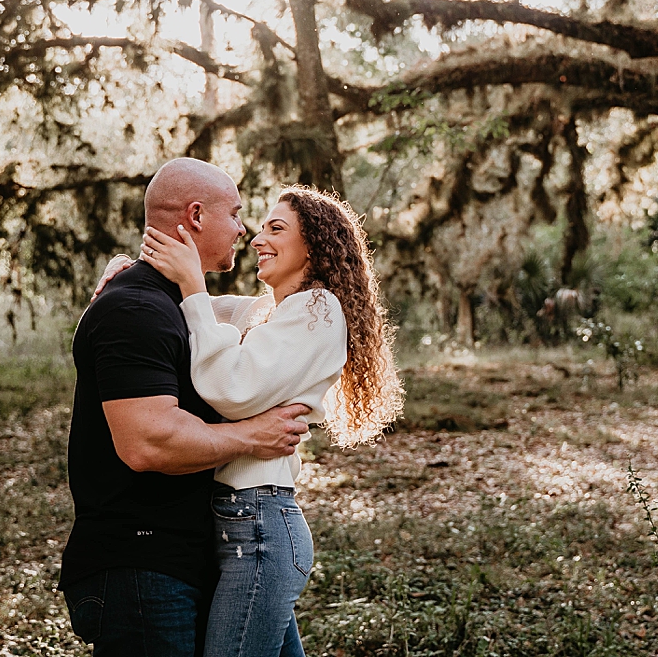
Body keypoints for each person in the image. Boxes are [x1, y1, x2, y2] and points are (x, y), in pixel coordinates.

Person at [100, 185, 405, 657]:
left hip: (258, 526)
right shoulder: (272, 310)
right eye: (260, 226)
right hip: (242, 526)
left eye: (276, 228)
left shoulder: (318, 310)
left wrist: (192, 289)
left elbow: (233, 389)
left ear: (315, 246)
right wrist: (134, 273)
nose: (258, 238)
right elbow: (191, 311)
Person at [58, 159, 311, 657]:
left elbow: (276, 317)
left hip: (202, 555)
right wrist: (252, 437)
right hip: (141, 565)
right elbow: (148, 443)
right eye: (236, 214)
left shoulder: (178, 306)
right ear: (196, 215)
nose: (243, 229)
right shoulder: (134, 309)